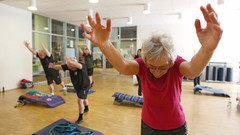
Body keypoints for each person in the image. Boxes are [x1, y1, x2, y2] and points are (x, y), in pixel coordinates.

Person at [80, 3, 222, 135]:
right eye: (152, 67)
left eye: (163, 67)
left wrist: (207, 49)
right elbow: (123, 65)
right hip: (149, 126)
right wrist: (104, 44)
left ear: (171, 61)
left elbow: (193, 70)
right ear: (146, 59)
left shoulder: (175, 64)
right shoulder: (142, 65)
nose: (157, 72)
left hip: (176, 127)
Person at [48, 56, 90, 124]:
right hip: (78, 86)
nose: (68, 67)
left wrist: (70, 61)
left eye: (70, 65)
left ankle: (80, 117)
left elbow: (78, 65)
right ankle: (86, 108)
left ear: (73, 64)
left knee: (80, 100)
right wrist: (53, 66)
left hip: (84, 86)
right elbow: (61, 67)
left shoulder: (82, 66)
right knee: (83, 98)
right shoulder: (69, 66)